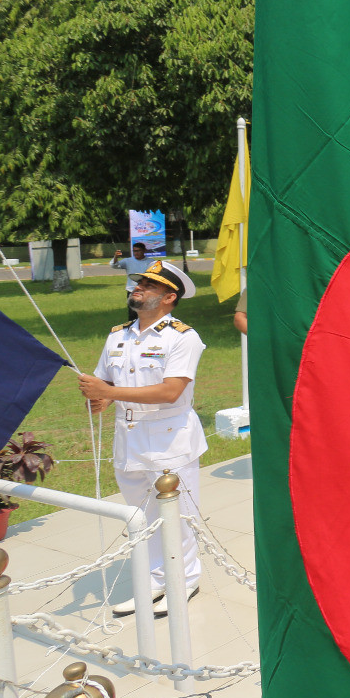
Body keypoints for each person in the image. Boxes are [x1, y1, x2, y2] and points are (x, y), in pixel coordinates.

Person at [78, 260, 206, 614]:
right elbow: (107, 385)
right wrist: (98, 398)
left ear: (168, 297)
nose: (138, 288)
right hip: (129, 438)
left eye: (148, 285)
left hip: (169, 439)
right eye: (138, 283)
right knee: (141, 516)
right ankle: (154, 579)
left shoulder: (182, 337)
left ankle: (185, 580)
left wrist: (111, 392)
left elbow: (171, 392)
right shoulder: (118, 335)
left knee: (175, 515)